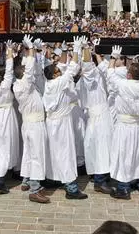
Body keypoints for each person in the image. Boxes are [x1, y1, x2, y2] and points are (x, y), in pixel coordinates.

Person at [43, 37, 86, 199]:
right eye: (57, 71)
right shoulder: (58, 83)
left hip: (52, 122)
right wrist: (76, 48)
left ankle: (54, 177)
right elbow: (73, 68)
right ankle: (71, 187)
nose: (60, 71)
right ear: (54, 75)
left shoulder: (49, 85)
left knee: (54, 152)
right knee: (66, 153)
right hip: (61, 124)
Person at [107, 46, 139, 199]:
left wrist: (113, 57)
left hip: (125, 126)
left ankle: (123, 188)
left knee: (124, 154)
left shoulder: (124, 85)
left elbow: (110, 74)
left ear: (129, 75)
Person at [13, 36, 50, 203]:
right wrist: (30, 51)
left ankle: (26, 180)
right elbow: (29, 71)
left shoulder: (24, 86)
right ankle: (35, 189)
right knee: (36, 154)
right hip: (34, 125)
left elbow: (31, 71)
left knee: (29, 153)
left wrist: (31, 50)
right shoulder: (23, 87)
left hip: (31, 124)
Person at [80, 42, 112, 195]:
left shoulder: (98, 73)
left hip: (103, 115)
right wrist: (86, 49)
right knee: (100, 149)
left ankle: (102, 175)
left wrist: (97, 53)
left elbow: (105, 68)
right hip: (97, 116)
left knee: (104, 148)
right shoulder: (89, 78)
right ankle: (100, 180)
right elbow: (87, 66)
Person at [0, 40, 20, 195]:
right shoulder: (6, 85)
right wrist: (8, 50)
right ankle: (0, 182)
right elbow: (9, 68)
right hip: (6, 116)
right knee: (5, 146)